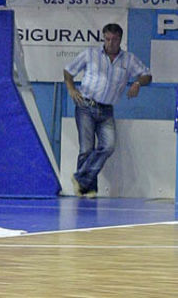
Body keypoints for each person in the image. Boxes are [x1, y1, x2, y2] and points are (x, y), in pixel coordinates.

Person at [63, 23, 151, 198]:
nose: (111, 43)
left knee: (108, 146)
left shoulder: (128, 60)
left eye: (115, 39)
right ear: (103, 38)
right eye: (108, 39)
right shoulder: (91, 54)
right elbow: (68, 71)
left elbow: (147, 75)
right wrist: (71, 88)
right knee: (86, 149)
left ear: (120, 39)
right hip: (85, 105)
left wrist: (137, 83)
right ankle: (87, 189)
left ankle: (81, 179)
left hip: (106, 109)